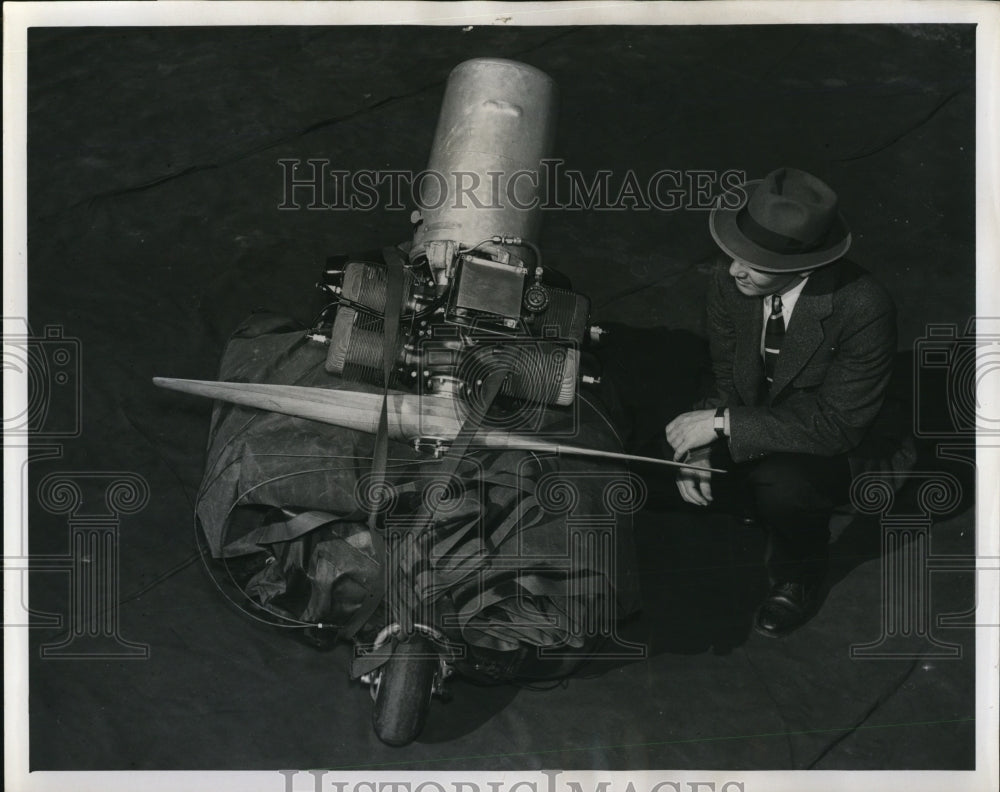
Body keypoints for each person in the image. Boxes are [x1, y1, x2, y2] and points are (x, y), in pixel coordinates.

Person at [665, 167, 897, 637]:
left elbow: (838, 425)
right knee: (660, 448)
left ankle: (799, 574)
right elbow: (723, 369)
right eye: (735, 254)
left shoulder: (863, 306)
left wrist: (722, 424)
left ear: (804, 268)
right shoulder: (733, 277)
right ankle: (744, 491)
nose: (734, 269)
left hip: (833, 443)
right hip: (756, 419)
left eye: (755, 262)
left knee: (783, 487)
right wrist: (701, 443)